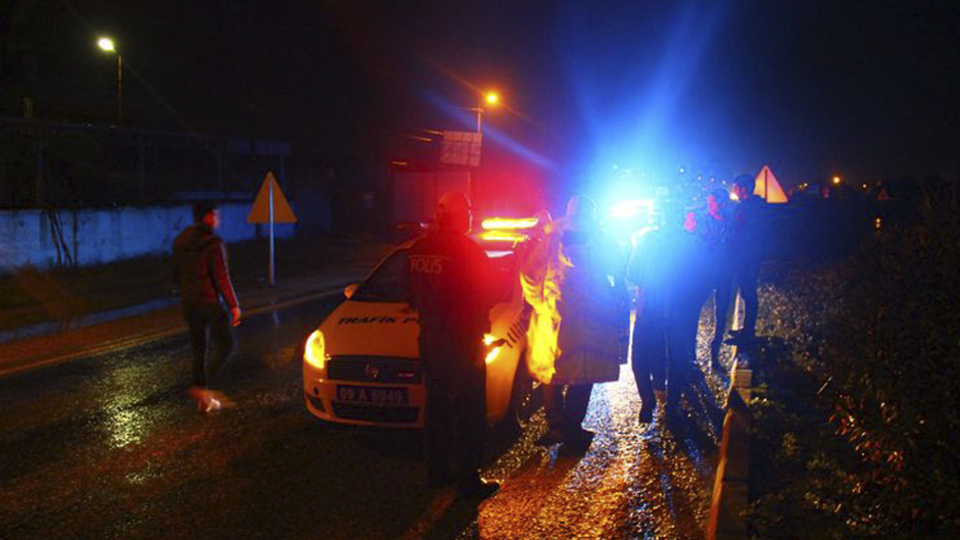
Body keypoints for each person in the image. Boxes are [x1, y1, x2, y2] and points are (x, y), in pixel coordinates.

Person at [404, 191, 500, 501]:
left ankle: (438, 471)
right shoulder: (468, 250)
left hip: (431, 340)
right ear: (460, 215)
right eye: (469, 211)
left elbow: (408, 295)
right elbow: (488, 294)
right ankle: (468, 479)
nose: (472, 216)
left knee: (437, 406)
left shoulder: (418, 249)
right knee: (469, 411)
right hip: (462, 343)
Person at [522, 195, 627, 448]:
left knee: (553, 371)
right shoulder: (601, 238)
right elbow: (618, 266)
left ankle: (557, 427)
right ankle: (571, 428)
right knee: (584, 372)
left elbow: (528, 272)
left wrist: (541, 303)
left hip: (556, 317)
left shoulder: (551, 238)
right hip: (590, 320)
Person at [628, 201, 706, 423]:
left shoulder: (647, 240)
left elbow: (632, 272)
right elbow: (704, 278)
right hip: (680, 309)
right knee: (677, 357)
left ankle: (647, 400)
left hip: (650, 305)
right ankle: (672, 405)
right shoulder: (693, 243)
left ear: (661, 219)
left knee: (640, 357)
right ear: (682, 219)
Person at [173, 201, 241, 413]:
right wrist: (233, 305)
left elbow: (176, 273)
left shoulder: (180, 241)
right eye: (216, 215)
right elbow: (221, 277)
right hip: (209, 302)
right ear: (208, 217)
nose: (218, 219)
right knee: (227, 344)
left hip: (189, 303)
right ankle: (203, 388)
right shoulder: (213, 243)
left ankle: (204, 401)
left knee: (199, 348)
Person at [700, 189, 734, 370]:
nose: (709, 205)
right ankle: (690, 356)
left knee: (721, 313)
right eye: (709, 202)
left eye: (712, 202)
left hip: (724, 273)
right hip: (705, 273)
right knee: (693, 309)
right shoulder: (704, 221)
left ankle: (715, 353)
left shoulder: (731, 222)